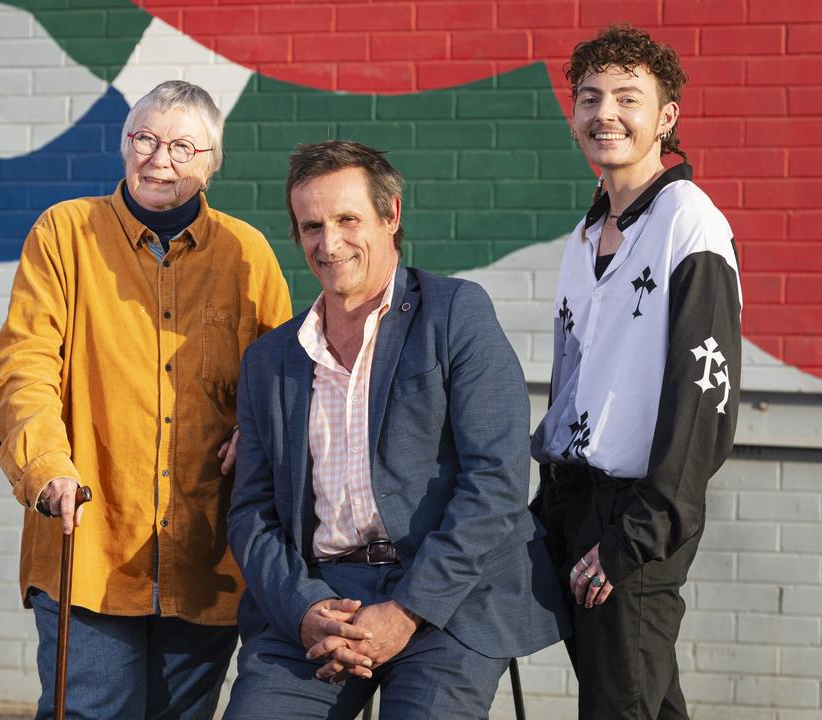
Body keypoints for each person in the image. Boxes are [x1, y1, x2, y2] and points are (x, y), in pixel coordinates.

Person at [224, 140, 568, 719]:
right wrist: (304, 609)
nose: (329, 244)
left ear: (392, 216)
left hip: (448, 600)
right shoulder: (269, 360)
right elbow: (252, 513)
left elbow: (497, 481)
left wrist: (409, 608)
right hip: (322, 601)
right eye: (311, 226)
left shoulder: (455, 312)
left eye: (347, 220)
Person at [0, 80, 292, 720]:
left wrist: (258, 430)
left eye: (184, 146)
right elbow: (25, 365)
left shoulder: (248, 255)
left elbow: (282, 381)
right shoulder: (64, 233)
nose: (161, 160)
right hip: (91, 541)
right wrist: (45, 466)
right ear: (123, 144)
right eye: (146, 139)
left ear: (214, 162)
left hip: (209, 553)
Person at [529, 25, 742, 720]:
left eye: (628, 97)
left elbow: (705, 399)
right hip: (573, 499)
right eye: (589, 98)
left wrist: (639, 534)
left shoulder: (689, 222)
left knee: (620, 707)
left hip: (635, 513)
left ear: (666, 117)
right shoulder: (584, 236)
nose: (605, 114)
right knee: (642, 703)